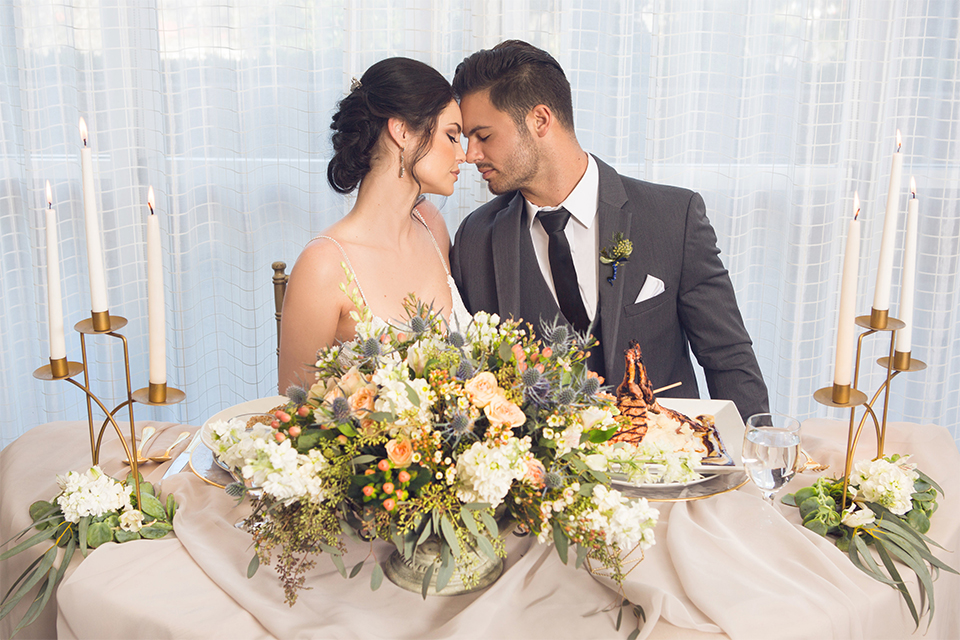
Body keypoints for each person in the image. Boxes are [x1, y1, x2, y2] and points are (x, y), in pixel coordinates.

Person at [449, 40, 769, 419]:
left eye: (483, 136)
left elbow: (728, 357)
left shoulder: (673, 216)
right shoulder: (475, 238)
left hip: (667, 465)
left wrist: (753, 464)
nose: (470, 154)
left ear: (540, 120)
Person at [278, 58, 468, 393]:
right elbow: (295, 414)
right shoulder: (324, 266)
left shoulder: (433, 226)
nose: (464, 154)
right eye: (452, 136)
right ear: (403, 131)